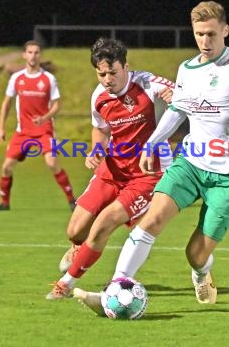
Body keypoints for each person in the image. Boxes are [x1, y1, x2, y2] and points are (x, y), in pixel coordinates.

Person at [72, 1, 229, 311]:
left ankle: (202, 272)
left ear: (225, 31)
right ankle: (116, 287)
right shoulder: (187, 69)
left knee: (196, 253)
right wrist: (152, 143)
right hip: (190, 163)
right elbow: (178, 110)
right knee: (150, 221)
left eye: (211, 34)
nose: (205, 41)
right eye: (199, 34)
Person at [45, 37, 174, 300]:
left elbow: (186, 95)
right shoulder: (99, 96)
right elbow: (100, 128)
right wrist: (96, 148)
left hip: (147, 175)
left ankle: (66, 283)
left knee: (105, 222)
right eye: (101, 73)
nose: (107, 79)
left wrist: (175, 96)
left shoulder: (148, 84)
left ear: (126, 66)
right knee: (75, 231)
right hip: (112, 169)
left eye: (112, 72)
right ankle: (78, 249)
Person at [0, 40, 76, 211]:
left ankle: (72, 201)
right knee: (6, 167)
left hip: (44, 130)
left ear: (40, 55)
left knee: (52, 163)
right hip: (22, 132)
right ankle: (4, 203)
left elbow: (57, 104)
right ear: (24, 55)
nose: (33, 55)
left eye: (36, 52)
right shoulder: (17, 78)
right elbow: (6, 103)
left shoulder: (48, 79)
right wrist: (0, 127)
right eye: (30, 52)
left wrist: (45, 118)